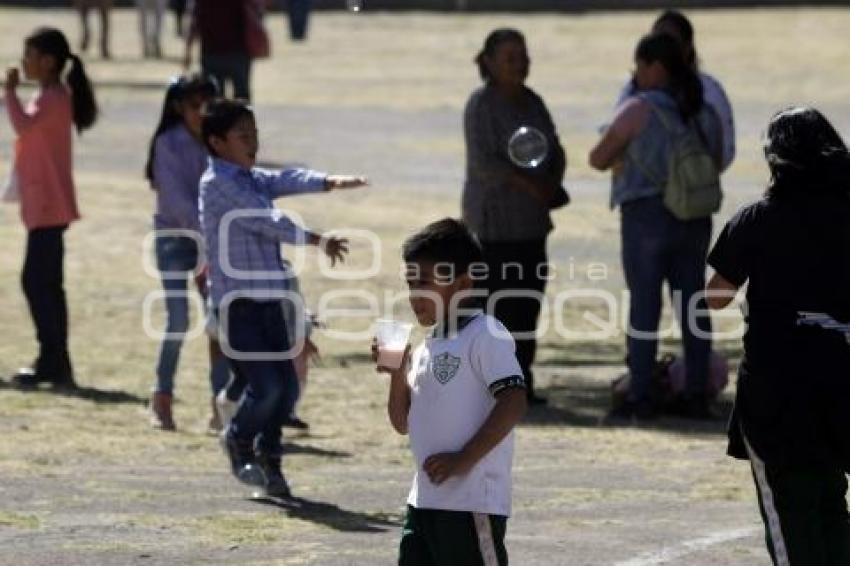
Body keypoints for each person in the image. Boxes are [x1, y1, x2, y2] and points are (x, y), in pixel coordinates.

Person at [199, 99, 366, 497]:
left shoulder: (247, 177)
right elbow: (264, 219)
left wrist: (327, 182)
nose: (253, 142)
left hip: (273, 301)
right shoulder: (218, 183)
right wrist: (315, 239)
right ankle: (238, 438)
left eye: (255, 134)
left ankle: (270, 463)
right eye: (244, 136)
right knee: (268, 385)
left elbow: (284, 179)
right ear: (217, 141)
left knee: (287, 389)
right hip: (239, 306)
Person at [706, 107, 850, 566]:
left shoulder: (759, 219)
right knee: (832, 504)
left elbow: (716, 297)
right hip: (841, 385)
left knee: (790, 515)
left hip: (777, 395)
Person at [373, 218, 527, 565]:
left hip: (471, 503)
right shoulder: (429, 346)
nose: (415, 295)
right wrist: (397, 375)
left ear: (462, 283)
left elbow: (514, 401)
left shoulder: (486, 332)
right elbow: (402, 423)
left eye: (424, 283)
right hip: (424, 501)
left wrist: (465, 458)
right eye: (411, 284)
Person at [589, 32, 722, 420]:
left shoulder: (637, 109)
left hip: (646, 217)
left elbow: (599, 158)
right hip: (695, 218)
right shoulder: (703, 111)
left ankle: (641, 394)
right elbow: (716, 159)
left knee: (645, 309)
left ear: (655, 67)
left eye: (639, 67)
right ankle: (696, 394)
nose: (636, 76)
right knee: (693, 307)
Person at [462, 28, 567, 406]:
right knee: (494, 309)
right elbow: (486, 164)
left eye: (523, 56)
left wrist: (552, 180)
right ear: (488, 62)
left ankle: (521, 383)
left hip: (531, 227)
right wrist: (530, 185)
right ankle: (489, 387)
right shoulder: (481, 105)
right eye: (510, 57)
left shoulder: (533, 102)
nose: (519, 64)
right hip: (493, 227)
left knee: (526, 307)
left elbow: (554, 147)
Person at [3, 28, 98, 388]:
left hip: (47, 203)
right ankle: (56, 360)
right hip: (44, 203)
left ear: (48, 61)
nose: (23, 62)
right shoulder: (50, 95)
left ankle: (52, 358)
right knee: (45, 283)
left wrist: (10, 90)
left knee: (37, 282)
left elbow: (22, 124)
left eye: (29, 55)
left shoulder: (54, 97)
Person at [144, 73, 229, 431]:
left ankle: (220, 406)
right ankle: (161, 397)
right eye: (195, 105)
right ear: (179, 107)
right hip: (175, 240)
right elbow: (176, 201)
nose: (201, 112)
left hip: (211, 242)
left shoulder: (217, 143)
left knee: (218, 326)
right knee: (177, 320)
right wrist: (207, 231)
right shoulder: (168, 142)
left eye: (208, 105)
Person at [616, 10, 735, 172]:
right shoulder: (632, 90)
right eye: (657, 42)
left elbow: (725, 153)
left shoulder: (709, 91)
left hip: (691, 189)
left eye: (670, 43)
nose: (662, 50)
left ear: (687, 48)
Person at [184, 0, 253, 101]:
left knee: (215, 101)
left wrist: (188, 50)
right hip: (236, 52)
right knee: (242, 99)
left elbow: (196, 21)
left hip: (212, 53)